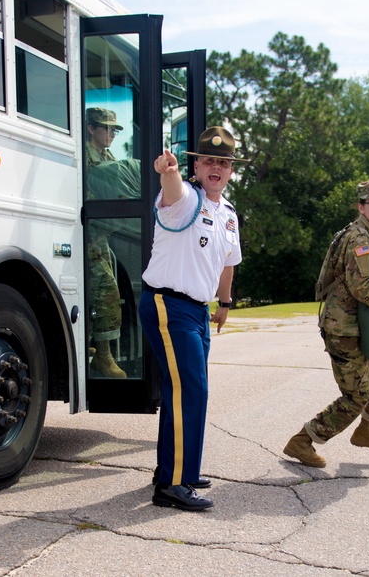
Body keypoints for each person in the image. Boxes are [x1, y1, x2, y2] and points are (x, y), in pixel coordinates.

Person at [140, 126, 245, 511]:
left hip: (198, 311)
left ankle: (180, 468)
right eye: (209, 161)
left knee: (184, 391)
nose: (216, 167)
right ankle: (172, 485)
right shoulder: (186, 200)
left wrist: (225, 303)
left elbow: (227, 263)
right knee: (192, 390)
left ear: (231, 170)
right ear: (196, 167)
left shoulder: (228, 214)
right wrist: (167, 172)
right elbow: (172, 191)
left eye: (224, 162)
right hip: (169, 304)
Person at [283, 179, 369, 468]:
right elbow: (361, 287)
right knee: (355, 396)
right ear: (361, 206)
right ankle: (303, 441)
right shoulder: (358, 237)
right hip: (344, 328)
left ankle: (367, 430)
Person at [84, 107, 127, 378]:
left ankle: (94, 347)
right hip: (89, 235)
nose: (111, 133)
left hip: (102, 236)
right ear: (91, 129)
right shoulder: (85, 156)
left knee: (101, 292)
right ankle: (103, 355)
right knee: (106, 292)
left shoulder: (107, 156)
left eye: (114, 129)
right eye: (106, 128)